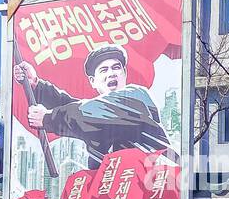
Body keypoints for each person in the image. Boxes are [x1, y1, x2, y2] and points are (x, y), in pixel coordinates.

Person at [14, 44, 176, 169]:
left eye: (116, 67)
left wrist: (48, 118)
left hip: (159, 193)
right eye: (104, 70)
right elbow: (74, 107)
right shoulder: (95, 118)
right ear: (93, 81)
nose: (111, 73)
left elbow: (87, 113)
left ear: (124, 73)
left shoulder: (138, 96)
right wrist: (36, 84)